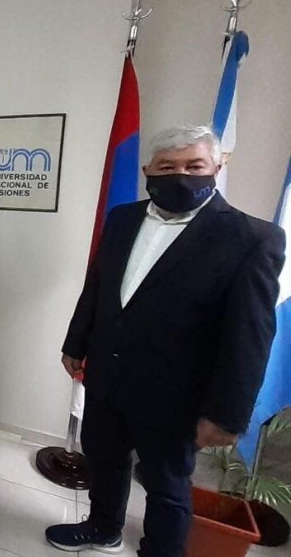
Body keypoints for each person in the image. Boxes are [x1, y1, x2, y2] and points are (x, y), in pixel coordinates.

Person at [45, 125, 285, 556]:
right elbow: (98, 287)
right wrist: (75, 343)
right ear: (148, 172)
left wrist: (227, 416)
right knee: (105, 461)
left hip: (175, 395)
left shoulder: (251, 237)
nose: (181, 176)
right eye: (167, 167)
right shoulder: (122, 218)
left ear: (216, 167)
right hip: (107, 378)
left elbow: (249, 337)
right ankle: (103, 527)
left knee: (166, 489)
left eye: (194, 166)